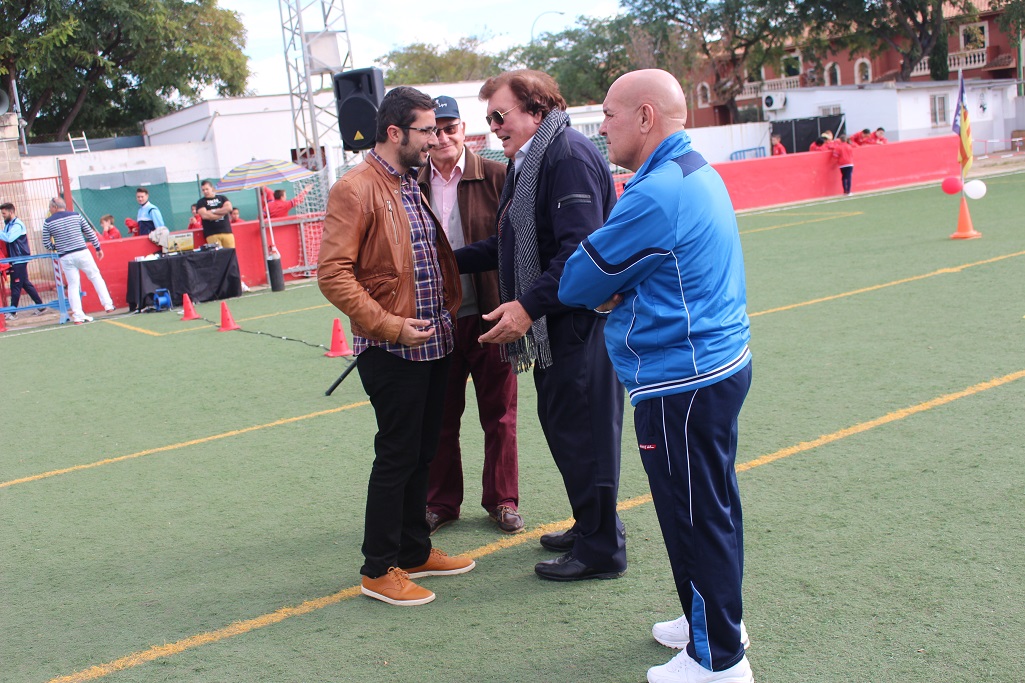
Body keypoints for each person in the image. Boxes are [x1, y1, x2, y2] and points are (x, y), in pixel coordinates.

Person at [559, 69, 754, 683]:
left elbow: (577, 281)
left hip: (681, 381)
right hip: (712, 366)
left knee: (694, 517)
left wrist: (607, 291)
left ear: (646, 116)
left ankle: (718, 661)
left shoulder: (658, 193)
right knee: (711, 508)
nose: (601, 128)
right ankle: (716, 623)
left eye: (608, 115)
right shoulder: (691, 169)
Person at [455, 69, 627, 581]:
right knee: (567, 428)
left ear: (536, 108)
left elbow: (579, 251)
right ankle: (592, 526)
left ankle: (601, 550)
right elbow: (510, 244)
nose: (493, 127)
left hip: (577, 324)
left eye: (500, 115)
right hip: (558, 325)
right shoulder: (532, 161)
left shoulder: (566, 156)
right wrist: (447, 260)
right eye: (489, 119)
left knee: (584, 434)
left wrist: (527, 307)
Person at [318, 86, 474, 607]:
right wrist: (389, 326)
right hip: (392, 348)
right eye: (427, 130)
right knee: (397, 455)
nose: (436, 138)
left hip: (433, 342)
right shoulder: (354, 187)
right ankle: (378, 568)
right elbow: (333, 274)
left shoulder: (409, 180)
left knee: (423, 452)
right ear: (394, 132)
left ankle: (413, 550)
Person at [416, 95, 521, 535]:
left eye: (449, 127)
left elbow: (516, 242)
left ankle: (503, 500)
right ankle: (441, 503)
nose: (442, 137)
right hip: (436, 318)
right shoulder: (412, 183)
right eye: (433, 130)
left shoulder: (498, 174)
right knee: (440, 417)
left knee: (500, 414)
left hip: (491, 313)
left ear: (463, 129)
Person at [41, 197, 115, 324]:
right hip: (82, 252)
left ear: (54, 207)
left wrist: (58, 247)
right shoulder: (76, 215)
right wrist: (97, 248)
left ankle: (77, 315)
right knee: (95, 277)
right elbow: (89, 233)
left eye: (50, 207)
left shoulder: (48, 222)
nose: (49, 210)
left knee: (73, 285)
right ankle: (108, 305)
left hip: (65, 256)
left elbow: (46, 243)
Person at [1, 202, 45, 319]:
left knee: (15, 285)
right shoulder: (9, 225)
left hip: (19, 259)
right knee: (25, 283)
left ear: (11, 212)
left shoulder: (17, 225)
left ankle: (13, 312)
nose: (3, 216)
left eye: (4, 214)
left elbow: (9, 238)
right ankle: (40, 305)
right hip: (15, 259)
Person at [196, 180, 235, 248]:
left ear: (212, 188)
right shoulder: (201, 202)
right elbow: (205, 215)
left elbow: (229, 208)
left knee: (231, 252)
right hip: (212, 234)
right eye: (203, 190)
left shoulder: (222, 198)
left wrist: (212, 211)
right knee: (217, 253)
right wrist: (222, 213)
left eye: (207, 189)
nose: (205, 191)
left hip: (227, 231)